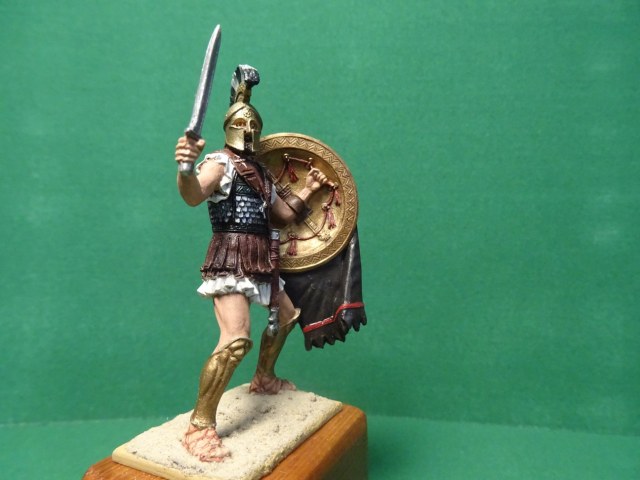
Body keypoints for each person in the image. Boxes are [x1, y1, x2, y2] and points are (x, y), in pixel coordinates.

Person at [173, 65, 327, 462]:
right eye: (242, 124)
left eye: (254, 125)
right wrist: (186, 168)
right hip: (230, 257)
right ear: (229, 128)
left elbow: (279, 216)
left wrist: (309, 188)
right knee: (235, 340)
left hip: (262, 256)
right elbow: (193, 195)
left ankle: (264, 378)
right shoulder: (219, 163)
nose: (249, 130)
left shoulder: (261, 171)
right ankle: (199, 427)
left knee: (287, 317)